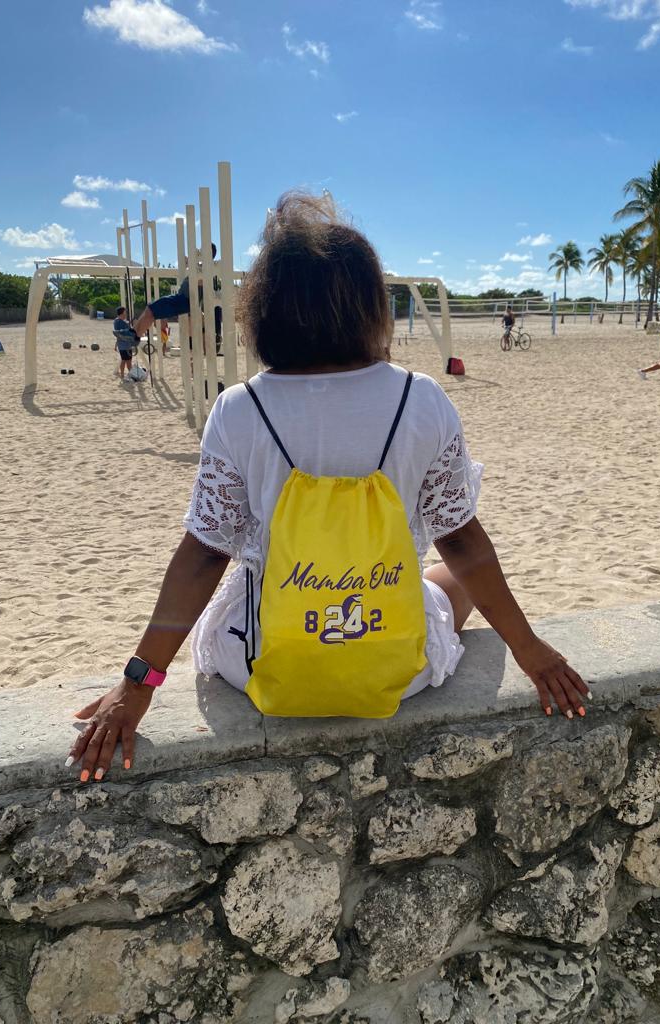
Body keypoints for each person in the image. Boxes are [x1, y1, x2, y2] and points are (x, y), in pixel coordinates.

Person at [66, 193, 589, 782]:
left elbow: (204, 554)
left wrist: (139, 683)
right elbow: (462, 541)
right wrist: (529, 649)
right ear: (370, 306)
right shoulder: (424, 400)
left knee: (247, 575)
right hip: (396, 661)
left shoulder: (240, 409)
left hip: (262, 658)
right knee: (441, 580)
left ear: (262, 310)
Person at [133, 243, 222, 350]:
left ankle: (134, 336)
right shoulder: (201, 267)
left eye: (202, 250)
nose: (200, 252)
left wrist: (192, 264)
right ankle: (133, 334)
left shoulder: (208, 270)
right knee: (150, 310)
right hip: (183, 300)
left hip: (185, 301)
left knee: (151, 310)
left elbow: (200, 281)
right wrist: (190, 263)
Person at [113, 306, 137, 381]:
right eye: (125, 312)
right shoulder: (122, 322)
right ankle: (131, 375)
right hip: (126, 344)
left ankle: (123, 375)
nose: (126, 314)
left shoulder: (116, 321)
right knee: (128, 361)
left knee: (123, 360)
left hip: (121, 344)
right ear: (122, 313)